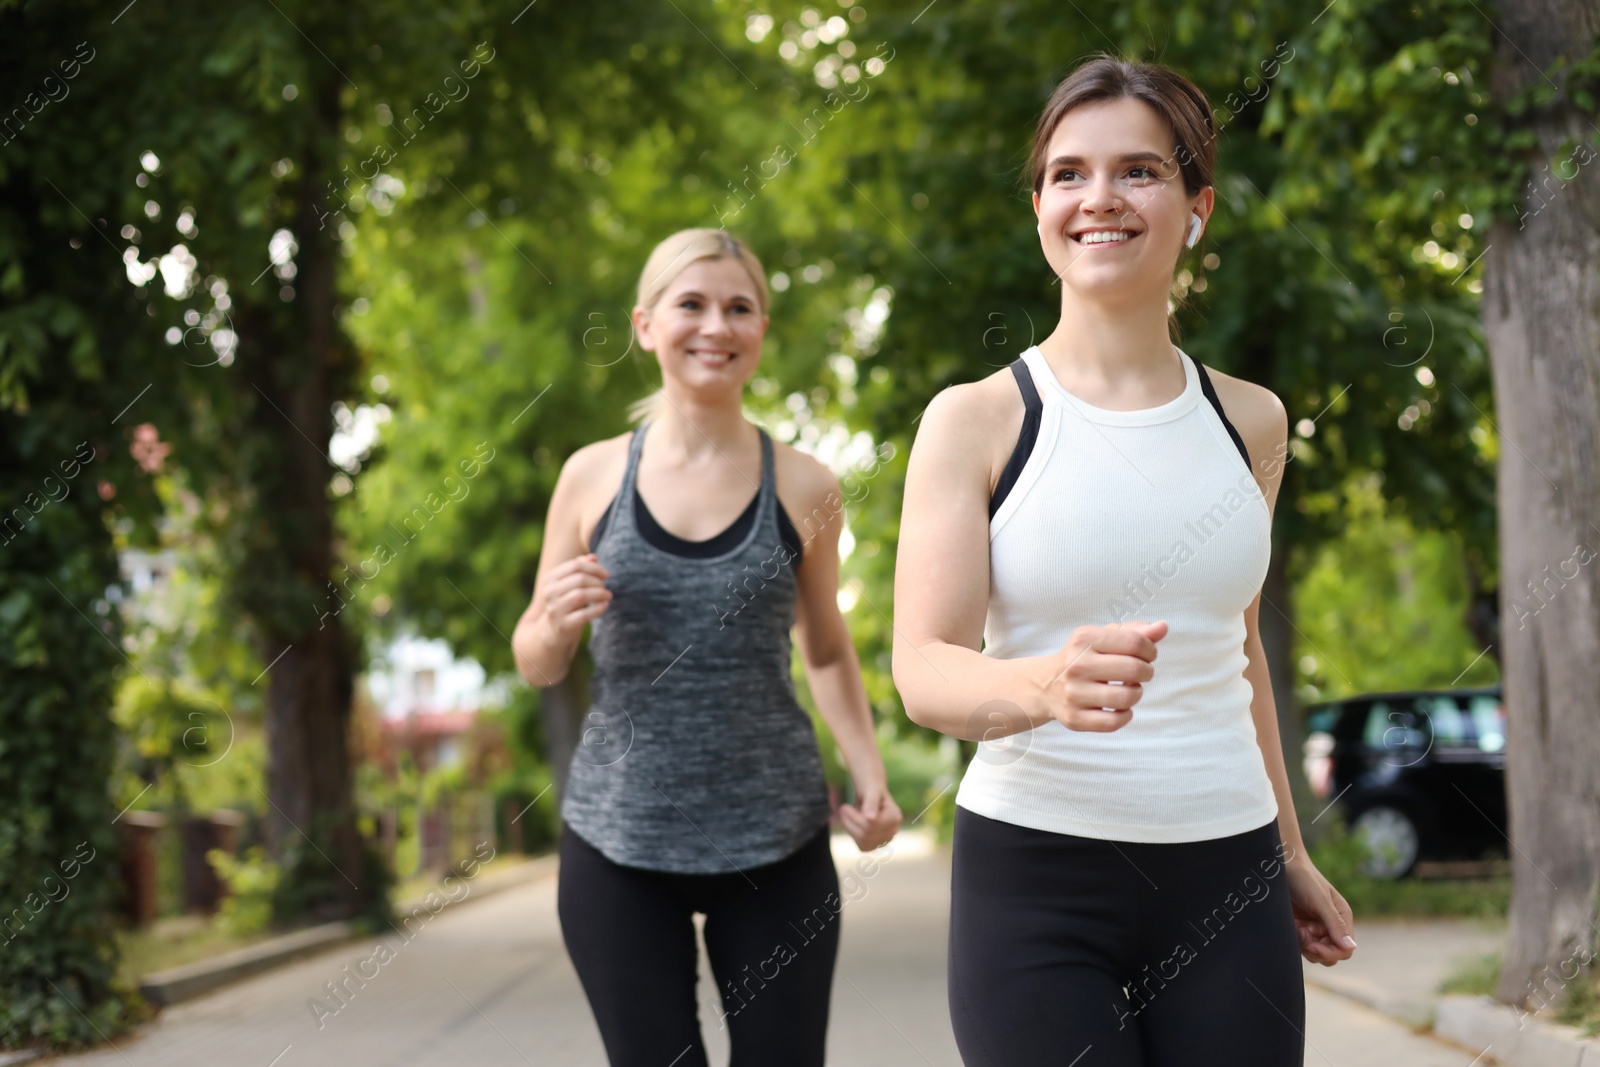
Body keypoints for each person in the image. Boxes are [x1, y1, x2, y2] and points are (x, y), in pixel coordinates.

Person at [891, 56, 1356, 1067]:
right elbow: (922, 662)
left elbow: (1235, 650)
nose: (1097, 196)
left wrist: (1289, 852)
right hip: (1035, 881)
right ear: (1039, 208)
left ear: (1196, 207)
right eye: (1067, 173)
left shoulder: (1252, 421)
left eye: (1137, 171)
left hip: (1226, 872)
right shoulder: (976, 419)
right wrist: (1038, 684)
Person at [511, 227, 902, 1067]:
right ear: (646, 324)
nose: (715, 326)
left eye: (739, 308)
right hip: (620, 841)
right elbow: (539, 661)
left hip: (776, 838)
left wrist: (869, 774)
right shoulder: (590, 477)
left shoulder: (805, 485)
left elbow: (827, 649)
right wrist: (552, 621)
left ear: (762, 328)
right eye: (692, 304)